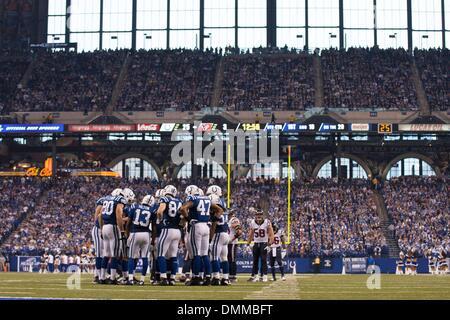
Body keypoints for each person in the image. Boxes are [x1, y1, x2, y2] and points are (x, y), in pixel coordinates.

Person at [179, 185, 219, 286]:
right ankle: (208, 277)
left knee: (196, 253)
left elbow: (183, 209)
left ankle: (196, 278)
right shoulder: (207, 198)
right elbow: (219, 210)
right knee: (204, 254)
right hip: (206, 226)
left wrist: (188, 219)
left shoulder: (193, 198)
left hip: (196, 226)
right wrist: (211, 219)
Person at [98, 188, 132, 284]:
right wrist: (121, 230)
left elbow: (100, 216)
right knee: (115, 254)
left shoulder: (106, 199)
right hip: (113, 227)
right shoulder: (120, 200)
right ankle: (113, 278)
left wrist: (101, 229)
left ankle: (102, 277)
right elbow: (118, 214)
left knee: (106, 254)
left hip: (105, 227)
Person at [156, 185, 183, 286]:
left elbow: (160, 211)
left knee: (161, 254)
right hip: (177, 231)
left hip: (167, 229)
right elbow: (183, 215)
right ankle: (172, 278)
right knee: (173, 256)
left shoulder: (164, 198)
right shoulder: (179, 201)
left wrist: (160, 219)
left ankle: (163, 278)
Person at [125, 194, 153, 285]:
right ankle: (142, 280)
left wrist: (127, 233)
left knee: (131, 257)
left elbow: (129, 222)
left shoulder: (135, 206)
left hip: (135, 233)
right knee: (145, 257)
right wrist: (152, 238)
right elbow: (154, 226)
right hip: (146, 234)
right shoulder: (152, 210)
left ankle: (130, 279)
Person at [207, 186, 228, 286]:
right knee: (224, 257)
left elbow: (215, 222)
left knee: (214, 257)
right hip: (225, 232)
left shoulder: (215, 205)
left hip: (218, 232)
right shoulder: (223, 202)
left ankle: (216, 277)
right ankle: (226, 278)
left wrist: (211, 236)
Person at [247, 209, 274, 282]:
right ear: (255, 215)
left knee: (263, 260)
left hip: (264, 243)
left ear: (262, 215)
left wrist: (270, 244)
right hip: (256, 243)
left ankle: (265, 276)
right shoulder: (252, 222)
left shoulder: (267, 222)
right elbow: (251, 233)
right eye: (257, 214)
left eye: (260, 214)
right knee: (255, 261)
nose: (258, 216)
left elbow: (271, 234)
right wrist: (248, 244)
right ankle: (256, 276)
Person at [227, 209, 242, 283]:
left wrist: (232, 239)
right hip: (228, 243)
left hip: (232, 243)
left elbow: (239, 232)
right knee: (229, 260)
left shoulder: (234, 219)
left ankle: (233, 276)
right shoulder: (229, 220)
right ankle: (229, 276)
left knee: (232, 260)